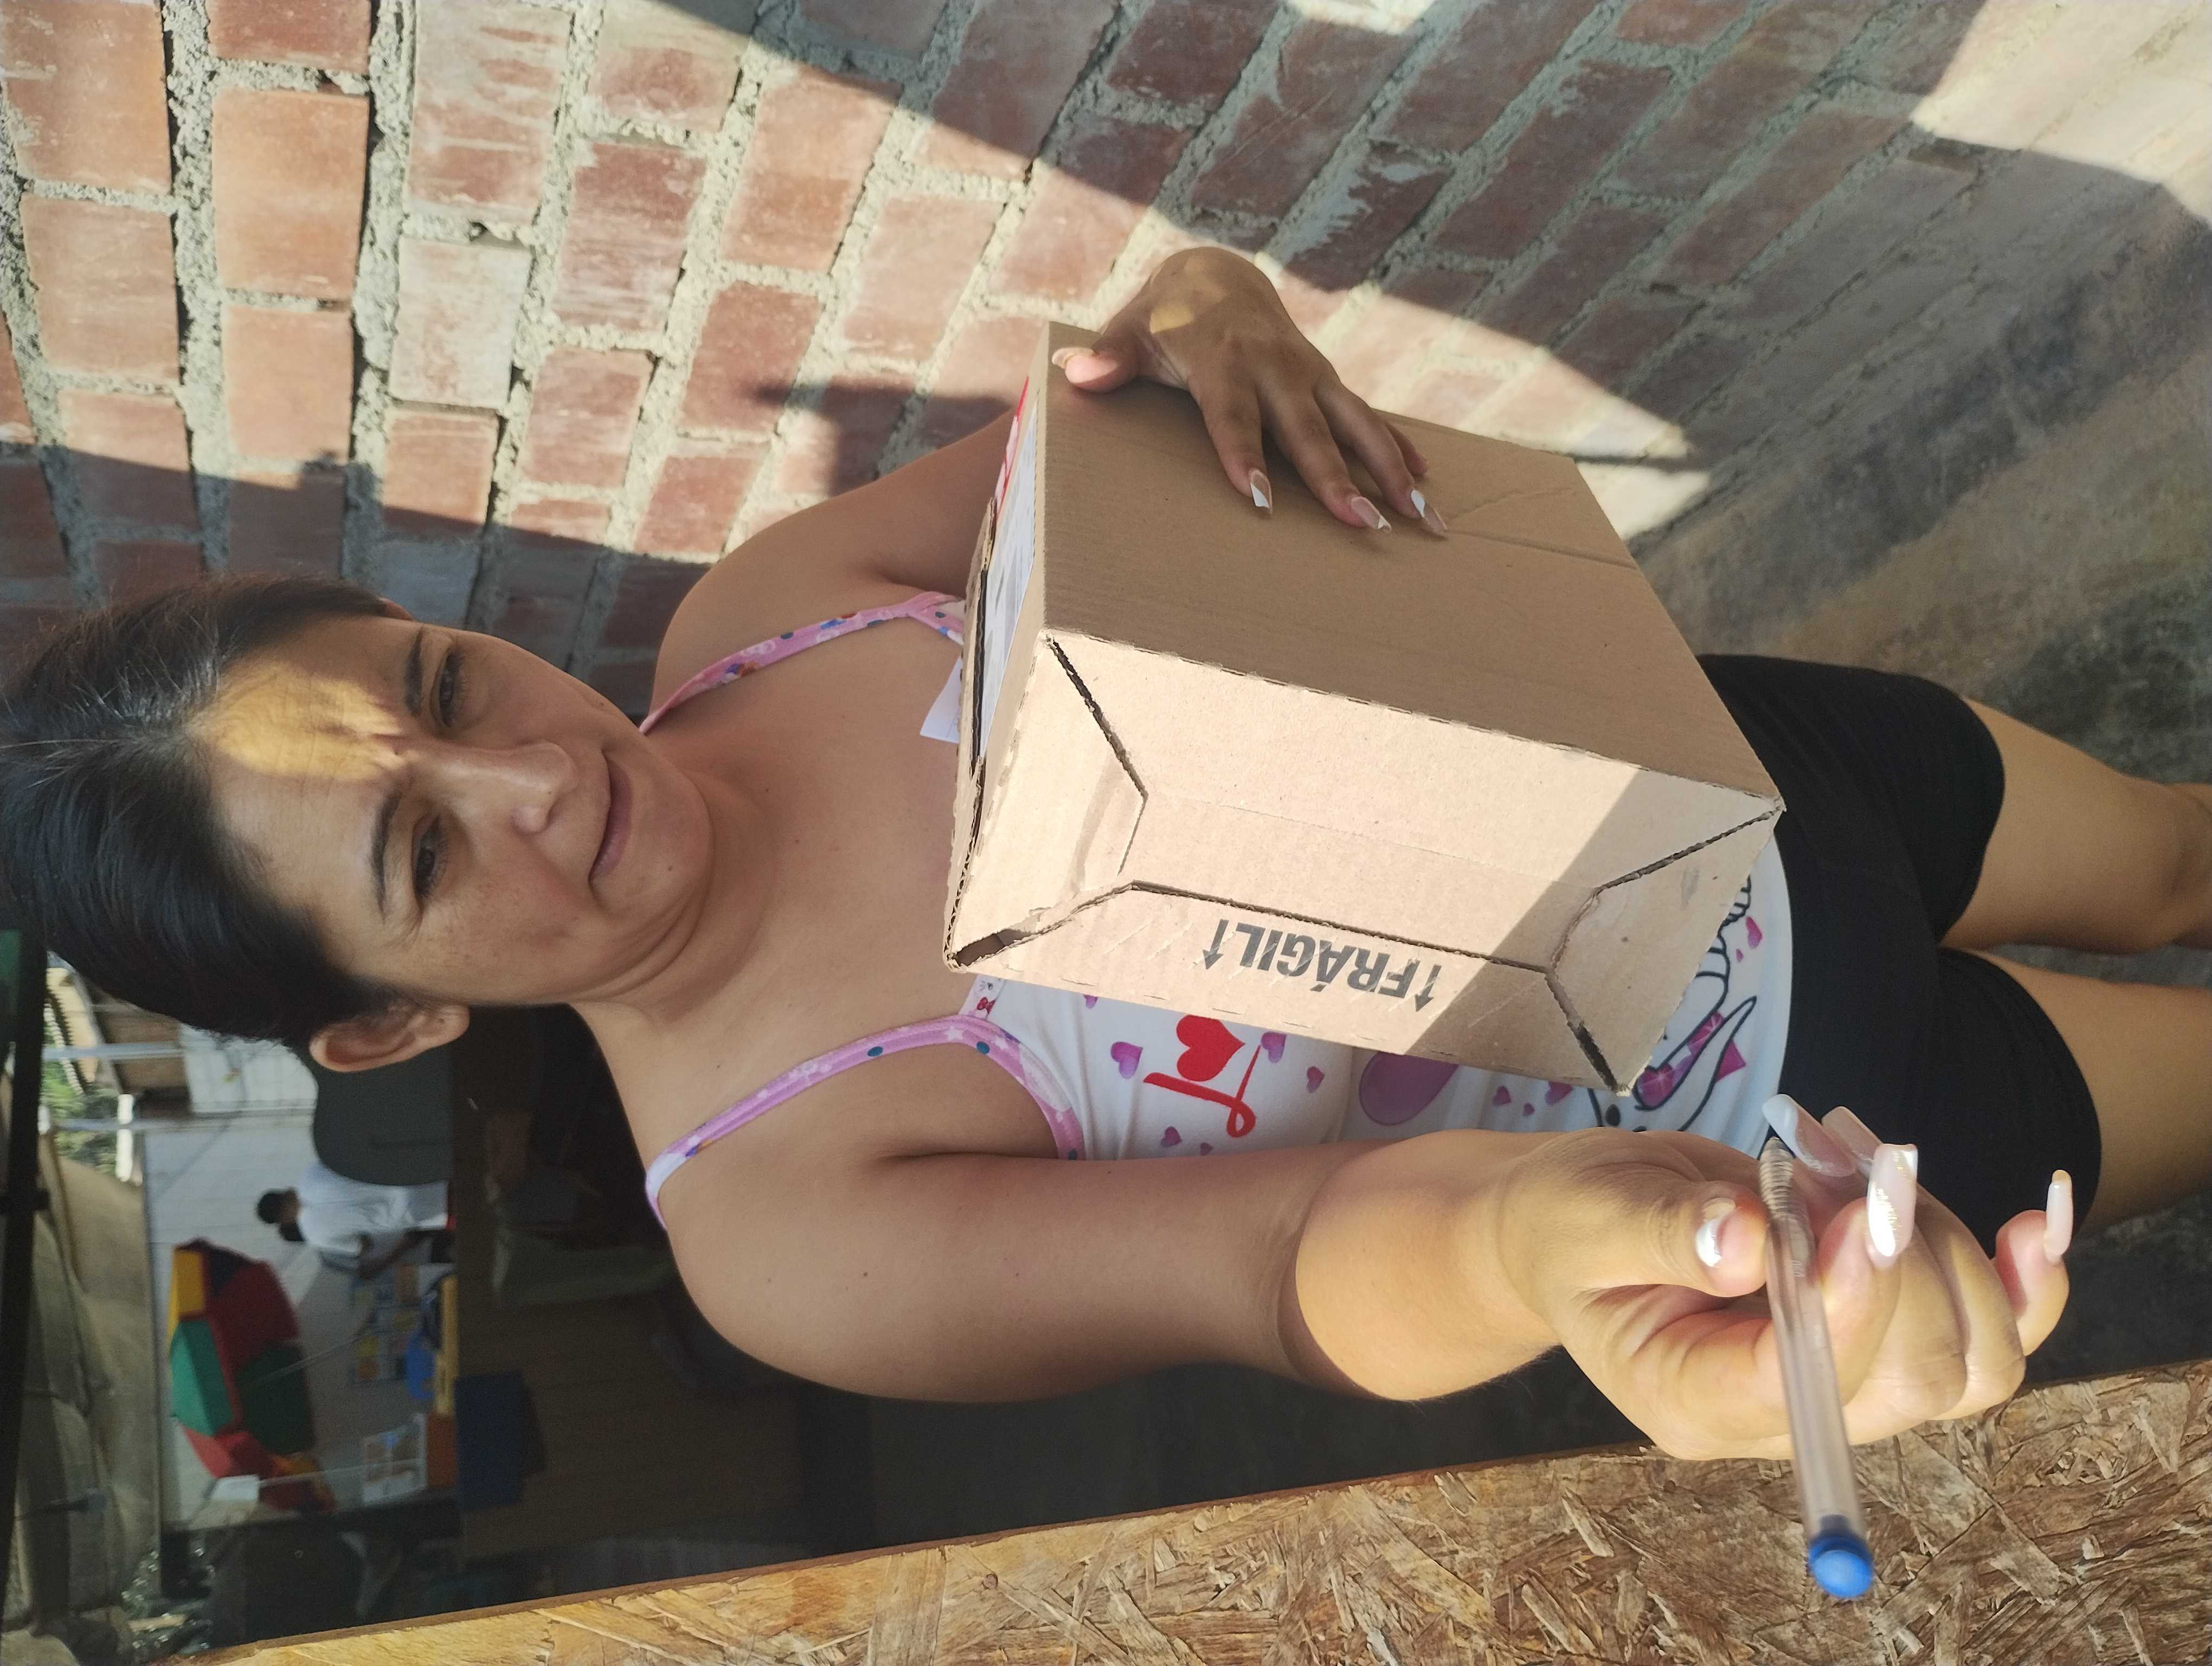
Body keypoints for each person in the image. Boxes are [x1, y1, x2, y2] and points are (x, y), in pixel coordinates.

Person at [5, 249, 2210, 1459]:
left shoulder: (771, 615)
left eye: (446, 684)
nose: (534, 782)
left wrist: (1203, 319)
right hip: (1793, 1131)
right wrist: (1554, 1245)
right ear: (388, 1020)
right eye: (415, 851)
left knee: (2186, 860)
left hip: (1729, 768)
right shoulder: (784, 1219)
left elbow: (1106, 447)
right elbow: (1283, 1265)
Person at [256, 1164, 449, 1278]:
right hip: (412, 1175)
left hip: (419, 1213)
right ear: (283, 1192)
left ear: (283, 1221)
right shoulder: (312, 1172)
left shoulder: (315, 1236)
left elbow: (362, 1246)